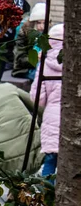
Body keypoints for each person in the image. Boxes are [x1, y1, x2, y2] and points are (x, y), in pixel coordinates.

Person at [30, 23, 63, 180]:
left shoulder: (44, 64)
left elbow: (38, 98)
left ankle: (47, 196)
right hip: (75, 119)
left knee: (50, 160)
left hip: (51, 119)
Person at [12, 3, 46, 80]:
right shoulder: (24, 34)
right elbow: (20, 59)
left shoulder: (47, 34)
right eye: (39, 23)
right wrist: (36, 57)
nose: (42, 27)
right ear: (33, 22)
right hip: (25, 70)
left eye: (44, 23)